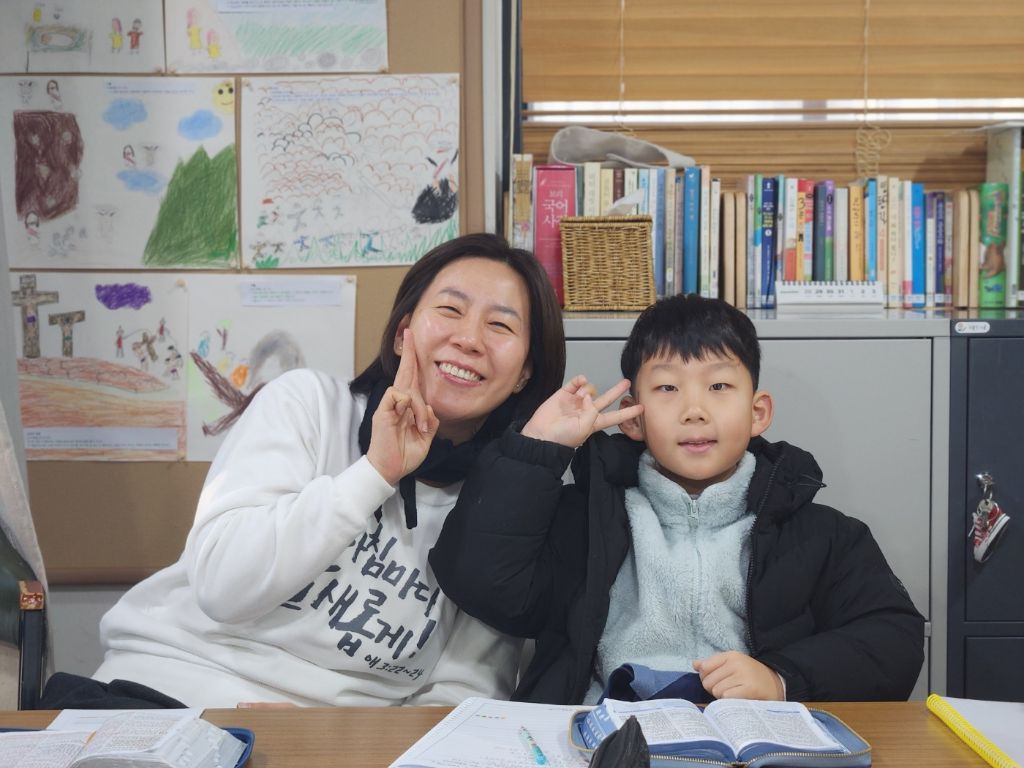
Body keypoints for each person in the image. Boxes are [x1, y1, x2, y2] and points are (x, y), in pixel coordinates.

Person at [90, 233, 565, 707]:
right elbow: (221, 586)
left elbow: (463, 695)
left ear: (525, 371)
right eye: (450, 310)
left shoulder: (504, 507)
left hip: (336, 736)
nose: (469, 339)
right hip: (167, 689)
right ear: (403, 334)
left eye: (500, 325)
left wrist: (338, 740)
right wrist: (374, 473)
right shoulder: (307, 404)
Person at [431, 293, 925, 705]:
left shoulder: (823, 535)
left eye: (719, 385)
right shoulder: (585, 520)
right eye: (667, 387)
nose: (694, 410)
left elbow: (894, 641)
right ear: (634, 417)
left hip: (751, 744)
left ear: (757, 412)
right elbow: (479, 584)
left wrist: (780, 680)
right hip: (605, 740)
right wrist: (537, 449)